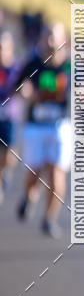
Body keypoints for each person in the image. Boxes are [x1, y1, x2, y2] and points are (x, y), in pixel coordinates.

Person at [16, 22, 71, 238]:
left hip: (61, 126)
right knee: (34, 173)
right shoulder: (33, 63)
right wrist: (25, 92)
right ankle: (29, 195)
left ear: (62, 40)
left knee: (57, 172)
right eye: (47, 37)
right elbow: (18, 86)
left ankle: (49, 218)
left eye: (54, 37)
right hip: (35, 126)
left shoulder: (70, 66)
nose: (50, 42)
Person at [0, 30, 20, 203]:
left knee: (9, 153)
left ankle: (5, 170)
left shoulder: (16, 68)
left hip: (9, 116)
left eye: (3, 47)